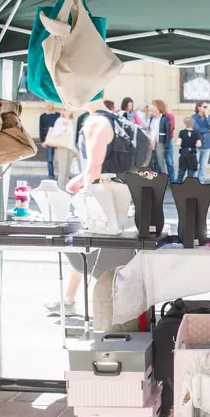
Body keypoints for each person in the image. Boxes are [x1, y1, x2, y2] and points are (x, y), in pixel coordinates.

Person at [46, 98, 138, 315]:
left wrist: (85, 197)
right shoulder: (114, 119)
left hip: (102, 199)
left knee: (88, 250)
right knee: (88, 251)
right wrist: (80, 178)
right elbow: (100, 164)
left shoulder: (95, 122)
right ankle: (70, 299)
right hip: (116, 193)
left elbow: (95, 167)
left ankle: (117, 310)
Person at [148, 99, 175, 180]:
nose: (152, 107)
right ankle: (155, 179)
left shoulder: (164, 118)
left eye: (154, 106)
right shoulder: (152, 118)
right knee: (153, 161)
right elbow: (150, 129)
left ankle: (164, 178)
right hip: (151, 142)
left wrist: (154, 141)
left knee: (160, 161)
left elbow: (162, 131)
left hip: (159, 142)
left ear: (158, 107)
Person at [51, 109, 77, 191]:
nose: (68, 112)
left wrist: (74, 149)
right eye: (65, 110)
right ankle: (61, 189)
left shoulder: (71, 121)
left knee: (67, 171)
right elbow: (54, 133)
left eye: (69, 110)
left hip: (70, 148)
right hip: (62, 147)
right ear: (62, 111)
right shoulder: (60, 120)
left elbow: (72, 137)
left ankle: (66, 189)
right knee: (62, 170)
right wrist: (63, 128)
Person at [193, 102, 210, 183]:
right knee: (195, 166)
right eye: (204, 106)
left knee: (203, 166)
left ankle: (201, 183)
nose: (206, 108)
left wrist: (207, 117)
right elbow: (196, 128)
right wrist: (207, 130)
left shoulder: (208, 117)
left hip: (207, 145)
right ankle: (193, 183)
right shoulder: (194, 117)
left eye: (206, 107)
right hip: (197, 145)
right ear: (199, 108)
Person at [176, 116, 202, 182]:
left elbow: (178, 143)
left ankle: (178, 186)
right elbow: (199, 144)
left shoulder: (182, 132)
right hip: (192, 154)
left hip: (184, 153)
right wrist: (194, 144)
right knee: (191, 173)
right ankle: (188, 187)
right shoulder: (196, 133)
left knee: (181, 172)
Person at [39, 102, 60, 180]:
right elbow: (41, 128)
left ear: (53, 104)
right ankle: (51, 175)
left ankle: (61, 173)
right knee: (50, 158)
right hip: (48, 140)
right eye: (47, 103)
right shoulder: (43, 116)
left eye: (50, 103)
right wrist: (42, 140)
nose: (48, 105)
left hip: (58, 139)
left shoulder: (58, 115)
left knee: (59, 158)